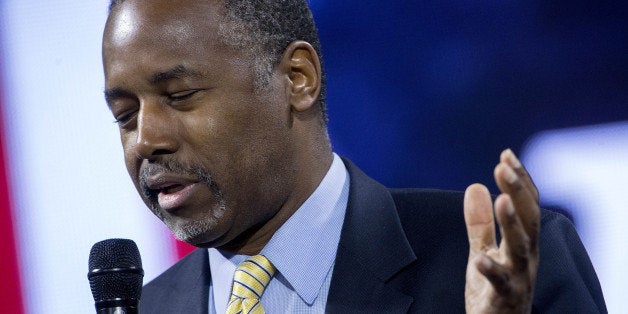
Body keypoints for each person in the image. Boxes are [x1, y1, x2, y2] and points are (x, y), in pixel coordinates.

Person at [102, 0, 606, 313]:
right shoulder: (149, 307)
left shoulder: (494, 265)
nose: (146, 139)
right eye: (125, 115)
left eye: (181, 95)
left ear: (298, 79)